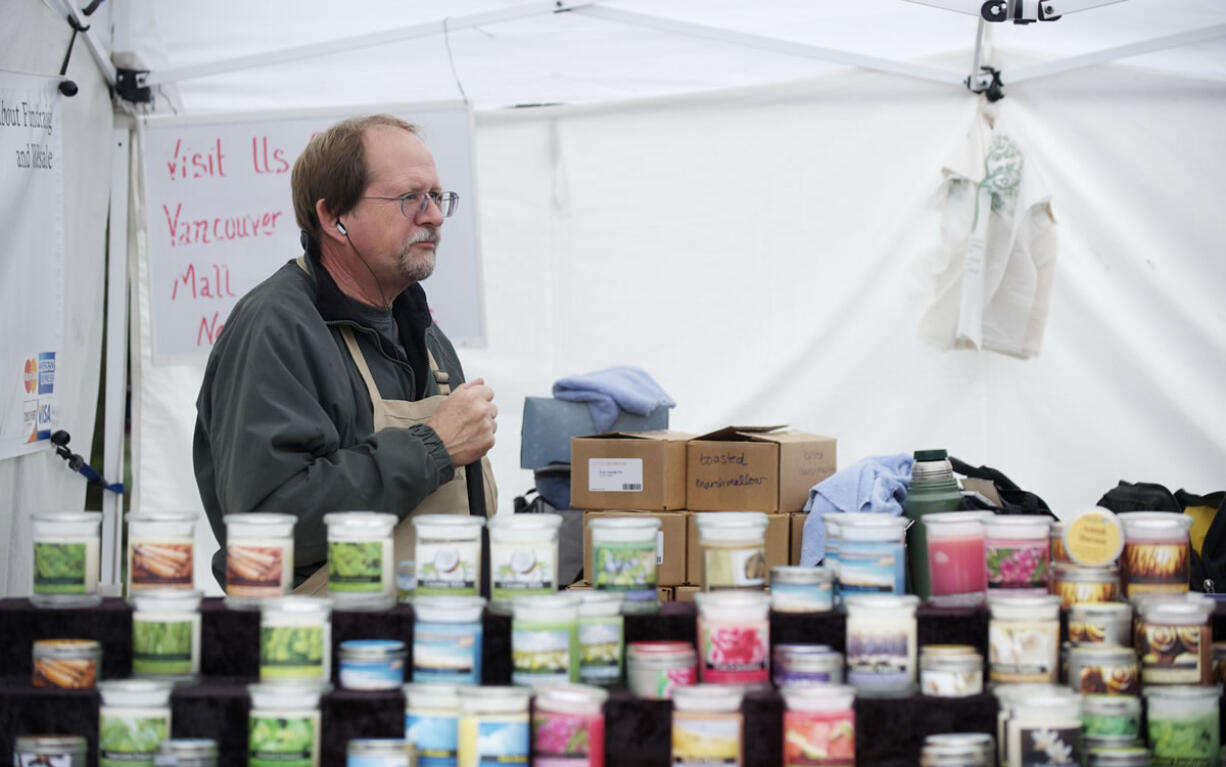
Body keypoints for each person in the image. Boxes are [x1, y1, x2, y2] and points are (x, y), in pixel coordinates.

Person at [194, 114, 497, 590]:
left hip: (439, 637)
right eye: (410, 198)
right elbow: (265, 526)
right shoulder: (277, 327)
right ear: (334, 216)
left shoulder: (420, 328)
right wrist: (431, 448)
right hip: (319, 646)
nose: (434, 216)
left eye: (438, 197)